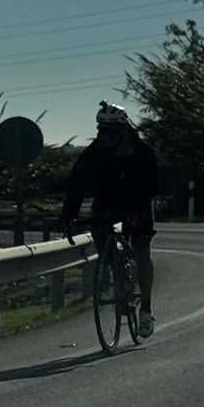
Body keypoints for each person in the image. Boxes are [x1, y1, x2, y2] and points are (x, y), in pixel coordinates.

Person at [62, 102, 161, 337]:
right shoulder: (95, 151)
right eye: (101, 132)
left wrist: (137, 211)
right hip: (109, 199)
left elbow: (151, 186)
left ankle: (146, 309)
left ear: (123, 131)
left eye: (111, 132)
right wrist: (68, 215)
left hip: (137, 199)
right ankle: (113, 268)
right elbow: (76, 184)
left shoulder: (142, 152)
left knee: (140, 248)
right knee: (100, 225)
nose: (105, 137)